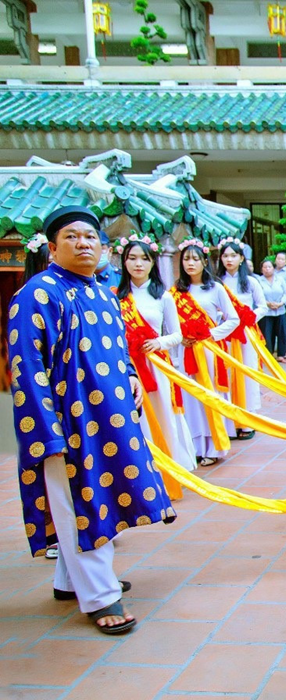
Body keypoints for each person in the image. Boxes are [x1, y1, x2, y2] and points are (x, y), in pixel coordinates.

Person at [9, 205, 176, 635]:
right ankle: (101, 597)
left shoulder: (101, 291)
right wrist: (46, 432)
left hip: (109, 417)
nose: (84, 243)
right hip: (67, 425)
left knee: (96, 495)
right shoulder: (35, 294)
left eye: (90, 237)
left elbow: (117, 347)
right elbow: (26, 369)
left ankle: (70, 581)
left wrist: (132, 376)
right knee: (82, 503)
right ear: (52, 247)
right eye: (72, 237)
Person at [116, 234, 197, 488]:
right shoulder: (114, 297)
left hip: (155, 365)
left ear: (152, 263)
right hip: (126, 366)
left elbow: (177, 334)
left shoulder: (163, 296)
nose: (138, 264)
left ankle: (166, 467)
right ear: (124, 262)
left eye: (144, 259)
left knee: (161, 413)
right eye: (132, 258)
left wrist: (159, 343)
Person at [172, 239, 239, 467]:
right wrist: (180, 338)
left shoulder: (215, 288)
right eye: (186, 259)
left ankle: (213, 446)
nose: (190, 263)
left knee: (208, 398)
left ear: (204, 261)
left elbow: (234, 319)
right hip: (184, 351)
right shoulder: (175, 291)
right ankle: (195, 447)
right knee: (190, 398)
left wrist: (211, 334)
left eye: (195, 259)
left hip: (208, 351)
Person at [219, 239, 268, 439]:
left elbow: (262, 306)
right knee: (227, 376)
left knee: (246, 374)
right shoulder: (216, 283)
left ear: (241, 258)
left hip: (246, 335)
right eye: (225, 256)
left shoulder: (251, 281)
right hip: (225, 335)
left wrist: (248, 319)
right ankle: (231, 421)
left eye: (233, 255)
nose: (229, 260)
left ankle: (248, 421)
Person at [258, 259, 286, 360]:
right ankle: (268, 355)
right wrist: (267, 303)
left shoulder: (280, 279)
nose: (267, 269)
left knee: (282, 332)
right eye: (265, 267)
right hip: (266, 312)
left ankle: (281, 355)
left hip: (280, 310)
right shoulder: (259, 280)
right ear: (261, 269)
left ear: (273, 268)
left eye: (269, 267)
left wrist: (281, 303)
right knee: (267, 333)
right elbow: (258, 295)